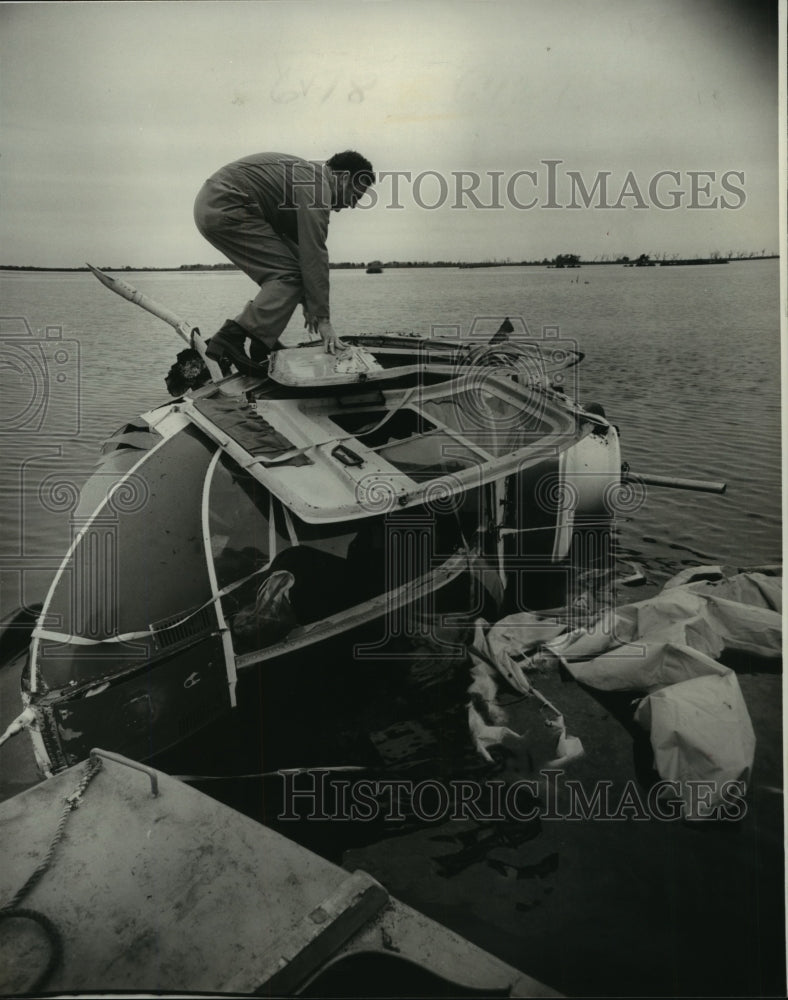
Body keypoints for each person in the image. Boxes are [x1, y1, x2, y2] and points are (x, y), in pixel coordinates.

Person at [193, 150, 374, 374]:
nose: (353, 205)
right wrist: (324, 321)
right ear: (344, 178)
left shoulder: (307, 178)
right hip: (228, 202)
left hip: (214, 203)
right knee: (287, 276)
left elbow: (296, 250)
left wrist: (310, 302)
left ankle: (262, 343)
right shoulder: (317, 185)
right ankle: (231, 337)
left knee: (287, 273)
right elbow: (314, 252)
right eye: (354, 196)